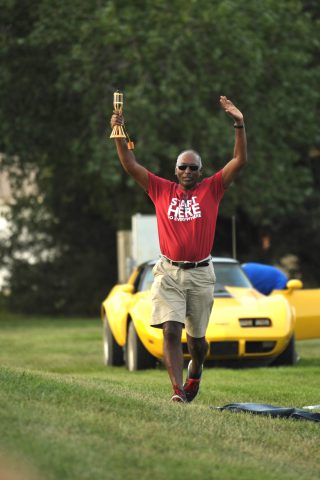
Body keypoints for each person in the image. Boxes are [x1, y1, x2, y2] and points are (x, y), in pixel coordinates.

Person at [110, 96, 247, 403]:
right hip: (168, 271)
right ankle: (178, 391)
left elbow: (239, 161)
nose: (187, 171)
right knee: (170, 330)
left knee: (197, 341)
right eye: (182, 167)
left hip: (200, 275)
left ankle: (195, 369)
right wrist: (118, 131)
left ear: (200, 171)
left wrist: (239, 123)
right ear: (175, 170)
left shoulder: (213, 188)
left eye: (193, 167)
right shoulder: (160, 189)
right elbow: (129, 163)